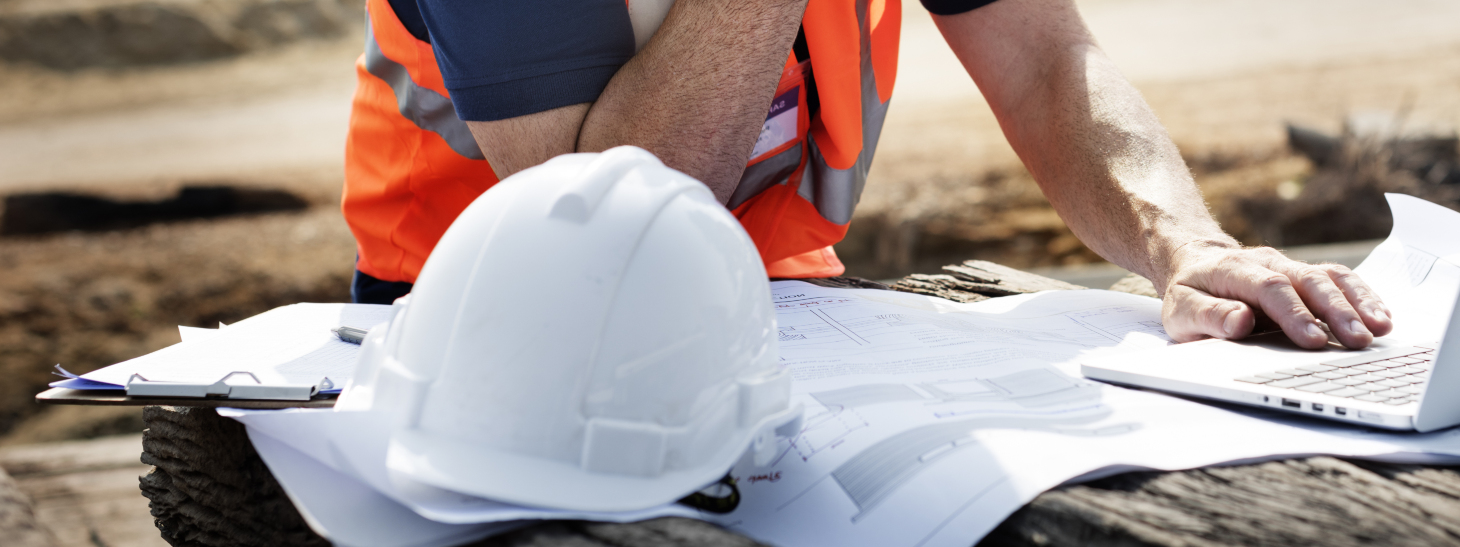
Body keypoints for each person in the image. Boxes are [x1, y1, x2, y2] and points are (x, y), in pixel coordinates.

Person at [339, 0, 1393, 349]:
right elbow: (610, 248)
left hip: (789, 315)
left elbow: (1042, 56)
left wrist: (1185, 245)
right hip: (476, 332)